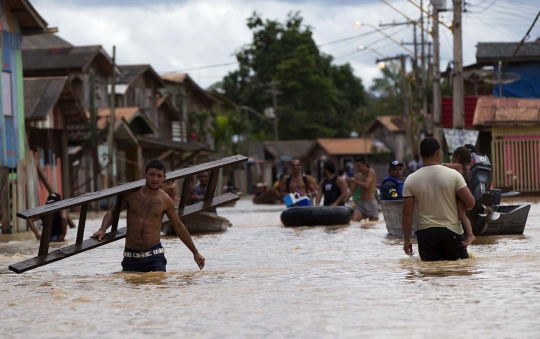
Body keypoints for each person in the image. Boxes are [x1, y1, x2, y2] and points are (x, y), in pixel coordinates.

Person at [91, 160, 205, 272]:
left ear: (164, 178)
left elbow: (178, 226)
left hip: (155, 257)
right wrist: (102, 229)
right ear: (145, 174)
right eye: (152, 174)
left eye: (159, 175)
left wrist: (195, 252)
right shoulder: (130, 195)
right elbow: (112, 212)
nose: (155, 179)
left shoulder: (165, 200)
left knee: (157, 288)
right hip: (131, 257)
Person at [402, 137, 475, 261]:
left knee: (430, 275)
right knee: (459, 275)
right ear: (438, 153)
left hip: (426, 235)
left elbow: (407, 213)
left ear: (420, 155)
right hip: (452, 233)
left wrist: (407, 240)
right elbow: (470, 202)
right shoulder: (454, 175)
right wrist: (460, 211)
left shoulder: (410, 179)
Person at [442, 146, 475, 246]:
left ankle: (470, 235)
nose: (452, 162)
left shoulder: (460, 167)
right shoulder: (468, 168)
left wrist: (438, 165)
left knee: (461, 215)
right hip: (464, 194)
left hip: (461, 196)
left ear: (458, 158)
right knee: (461, 215)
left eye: (453, 159)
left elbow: (445, 166)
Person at [345, 157, 379, 221]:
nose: (358, 168)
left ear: (364, 164)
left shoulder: (371, 172)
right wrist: (343, 201)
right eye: (356, 167)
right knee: (353, 222)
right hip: (361, 203)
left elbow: (366, 185)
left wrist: (354, 181)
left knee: (372, 227)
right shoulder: (358, 176)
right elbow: (352, 191)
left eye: (359, 166)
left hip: (371, 203)